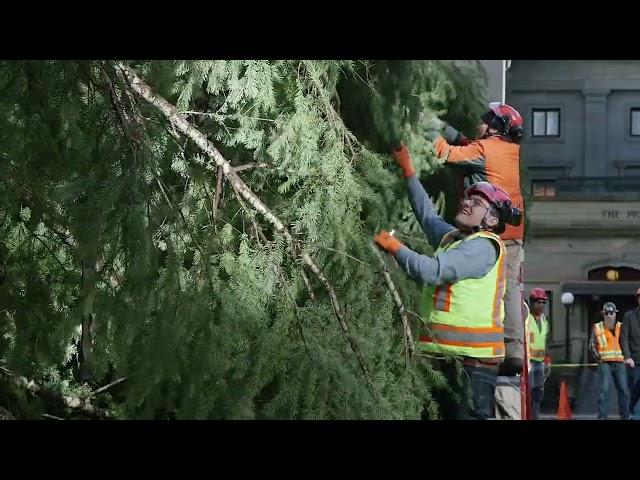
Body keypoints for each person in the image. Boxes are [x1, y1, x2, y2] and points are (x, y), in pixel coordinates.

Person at [374, 144, 521, 419]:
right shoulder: (454, 239)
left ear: (491, 219)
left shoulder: (483, 247)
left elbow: (431, 271)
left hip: (471, 370)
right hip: (446, 363)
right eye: (467, 199)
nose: (465, 202)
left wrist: (394, 246)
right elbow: (428, 216)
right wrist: (409, 172)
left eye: (475, 203)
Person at [425, 103, 526, 377]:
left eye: (485, 120)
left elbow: (446, 153)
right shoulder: (504, 150)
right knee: (509, 290)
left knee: (502, 292)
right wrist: (445, 127)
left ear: (496, 127)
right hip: (512, 235)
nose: (479, 123)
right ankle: (513, 351)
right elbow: (466, 143)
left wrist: (424, 125)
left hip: (493, 232)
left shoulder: (485, 150)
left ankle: (504, 349)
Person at [589, 302, 631, 420]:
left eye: (611, 313)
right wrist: (599, 358)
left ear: (615, 314)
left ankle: (625, 416)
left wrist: (628, 357)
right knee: (604, 391)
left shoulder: (621, 327)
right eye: (606, 313)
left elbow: (627, 343)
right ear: (603, 314)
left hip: (620, 362)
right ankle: (602, 417)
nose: (609, 315)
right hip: (605, 363)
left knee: (623, 390)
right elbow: (592, 345)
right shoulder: (597, 327)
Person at [527, 288, 550, 420]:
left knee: (538, 393)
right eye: (538, 302)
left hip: (540, 362)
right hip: (528, 362)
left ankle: (535, 417)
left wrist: (547, 359)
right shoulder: (526, 319)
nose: (541, 305)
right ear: (532, 303)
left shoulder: (544, 320)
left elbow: (545, 341)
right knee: (528, 393)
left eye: (543, 302)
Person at [621, 288, 640, 420]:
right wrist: (627, 357)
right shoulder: (629, 316)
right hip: (635, 359)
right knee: (634, 388)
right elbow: (624, 337)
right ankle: (630, 411)